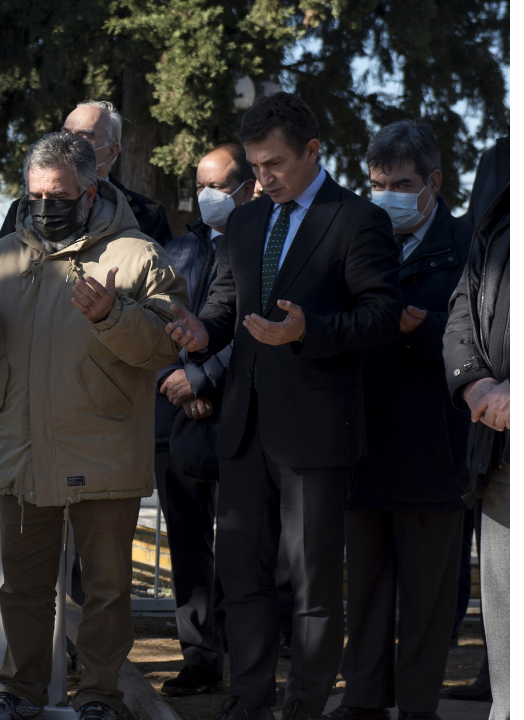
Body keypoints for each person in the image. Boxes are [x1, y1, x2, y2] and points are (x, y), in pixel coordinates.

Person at [165, 91, 402, 720]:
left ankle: (304, 706)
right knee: (241, 576)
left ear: (313, 152)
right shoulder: (243, 222)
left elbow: (380, 317)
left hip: (318, 432)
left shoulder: (356, 219)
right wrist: (199, 332)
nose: (261, 179)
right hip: (243, 429)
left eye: (273, 165)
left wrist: (309, 332)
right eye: (255, 165)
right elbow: (224, 305)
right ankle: (249, 702)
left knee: (313, 584)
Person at [0, 132, 186, 720]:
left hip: (104, 449)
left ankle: (101, 696)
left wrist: (112, 314)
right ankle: (20, 690)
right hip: (24, 449)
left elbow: (164, 345)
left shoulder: (136, 254)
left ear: (90, 192)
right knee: (22, 589)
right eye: (35, 194)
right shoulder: (0, 257)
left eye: (59, 194)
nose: (45, 204)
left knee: (106, 591)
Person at [325, 120, 471, 720]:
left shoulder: (468, 247)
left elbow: (485, 341)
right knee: (364, 594)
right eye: (375, 182)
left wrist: (423, 331)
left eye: (401, 183)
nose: (386, 195)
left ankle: (416, 707)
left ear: (434, 182)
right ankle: (361, 702)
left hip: (435, 451)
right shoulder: (359, 235)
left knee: (429, 602)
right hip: (362, 446)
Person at [154, 143, 255, 696]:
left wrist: (206, 381)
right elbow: (157, 321)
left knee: (247, 542)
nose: (206, 196)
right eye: (200, 186)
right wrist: (179, 382)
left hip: (243, 415)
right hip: (179, 420)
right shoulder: (177, 250)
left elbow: (248, 327)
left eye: (217, 185)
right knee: (189, 542)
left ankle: (250, 658)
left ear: (247, 187)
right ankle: (198, 655)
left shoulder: (267, 243)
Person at [444, 180, 509, 720]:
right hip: (500, 452)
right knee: (508, 628)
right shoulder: (501, 210)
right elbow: (466, 302)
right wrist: (476, 385)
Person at [0, 101, 172, 246]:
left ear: (111, 151)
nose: (70, 142)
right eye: (65, 133)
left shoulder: (148, 215)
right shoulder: (22, 210)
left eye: (84, 136)